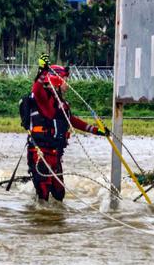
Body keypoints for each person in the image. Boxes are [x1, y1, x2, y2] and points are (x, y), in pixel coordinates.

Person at [25, 54, 109, 201]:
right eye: (65, 80)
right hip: (40, 154)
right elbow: (37, 88)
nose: (67, 85)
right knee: (43, 196)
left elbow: (72, 121)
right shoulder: (43, 99)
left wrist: (96, 131)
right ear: (56, 81)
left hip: (55, 154)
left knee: (59, 194)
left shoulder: (62, 105)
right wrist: (42, 71)